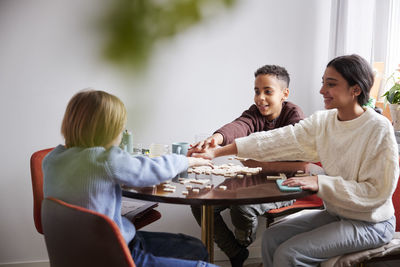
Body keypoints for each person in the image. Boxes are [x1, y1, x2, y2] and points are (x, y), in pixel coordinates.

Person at [193, 54, 399, 267]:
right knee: (272, 238)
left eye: (331, 84)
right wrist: (217, 152)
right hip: (338, 213)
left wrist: (321, 183)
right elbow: (276, 139)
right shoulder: (324, 121)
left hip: (372, 223)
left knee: (290, 254)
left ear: (355, 89)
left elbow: (377, 191)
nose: (321, 90)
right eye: (323, 83)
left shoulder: (378, 128)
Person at [43, 89, 219, 267]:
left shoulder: (52, 160)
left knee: (195, 248)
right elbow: (150, 170)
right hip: (115, 254)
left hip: (78, 252)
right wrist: (188, 161)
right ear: (109, 131)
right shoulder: (105, 160)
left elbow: (121, 172)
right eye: (121, 128)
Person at [188, 65, 305, 267]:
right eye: (256, 91)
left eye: (268, 91)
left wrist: (256, 163)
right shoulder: (255, 112)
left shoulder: (295, 117)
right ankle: (236, 252)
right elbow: (240, 125)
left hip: (286, 183)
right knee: (200, 203)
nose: (260, 98)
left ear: (284, 94)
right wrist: (215, 139)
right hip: (251, 177)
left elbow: (299, 165)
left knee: (241, 207)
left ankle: (243, 243)